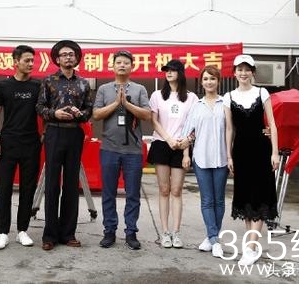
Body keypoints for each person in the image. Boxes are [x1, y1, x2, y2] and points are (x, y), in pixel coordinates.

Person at [36, 40, 93, 251]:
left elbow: (89, 110)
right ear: (57, 59)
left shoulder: (84, 83)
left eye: (71, 54)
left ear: (76, 58)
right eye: (64, 54)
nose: (68, 57)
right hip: (54, 132)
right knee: (52, 184)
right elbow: (39, 106)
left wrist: (81, 114)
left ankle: (68, 233)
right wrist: (54, 113)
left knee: (71, 184)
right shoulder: (48, 81)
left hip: (74, 134)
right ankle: (50, 235)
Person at [224, 54, 279, 266]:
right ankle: (252, 247)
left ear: (253, 72)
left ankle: (250, 248)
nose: (243, 73)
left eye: (247, 69)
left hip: (261, 151)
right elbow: (230, 129)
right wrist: (229, 155)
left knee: (260, 196)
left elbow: (272, 124)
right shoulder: (228, 97)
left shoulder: (262, 93)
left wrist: (274, 152)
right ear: (234, 73)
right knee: (246, 198)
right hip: (241, 153)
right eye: (240, 69)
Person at [92, 50, 151, 250]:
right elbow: (96, 114)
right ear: (113, 66)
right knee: (108, 192)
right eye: (119, 62)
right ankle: (109, 231)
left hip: (133, 151)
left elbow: (147, 115)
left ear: (132, 66)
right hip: (109, 148)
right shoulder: (104, 89)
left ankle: (131, 232)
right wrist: (116, 103)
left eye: (126, 62)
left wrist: (127, 104)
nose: (122, 65)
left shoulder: (140, 89)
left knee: (133, 194)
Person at [0, 45, 42, 250]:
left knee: (28, 188)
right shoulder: (4, 86)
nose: (30, 64)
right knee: (4, 188)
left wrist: (44, 134)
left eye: (32, 61)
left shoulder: (37, 86)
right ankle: (2, 232)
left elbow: (45, 111)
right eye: (27, 60)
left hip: (31, 143)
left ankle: (22, 231)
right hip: (9, 142)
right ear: (16, 62)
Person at [148, 59, 198, 249]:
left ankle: (176, 232)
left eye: (172, 70)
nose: (168, 73)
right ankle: (165, 232)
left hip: (181, 146)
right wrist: (168, 139)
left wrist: (186, 152)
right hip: (162, 144)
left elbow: (192, 126)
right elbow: (154, 122)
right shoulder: (157, 95)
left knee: (176, 190)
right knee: (164, 190)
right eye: (166, 70)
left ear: (181, 73)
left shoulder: (191, 98)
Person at [180, 66, 228, 258]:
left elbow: (231, 132)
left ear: (218, 81)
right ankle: (215, 240)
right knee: (207, 200)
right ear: (201, 82)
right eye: (206, 79)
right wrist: (186, 155)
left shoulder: (225, 104)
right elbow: (187, 133)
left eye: (212, 79)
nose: (209, 82)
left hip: (222, 158)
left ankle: (211, 237)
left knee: (219, 200)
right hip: (201, 158)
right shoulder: (196, 106)